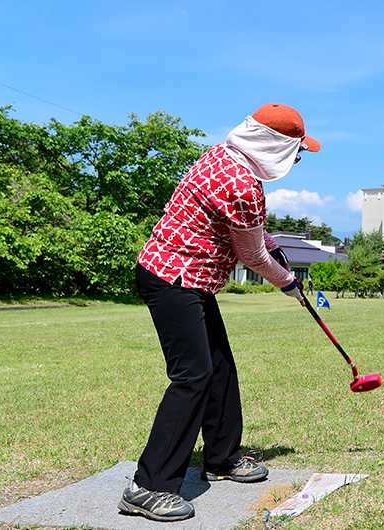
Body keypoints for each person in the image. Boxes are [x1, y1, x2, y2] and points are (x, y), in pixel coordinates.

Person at [123, 103, 319, 522]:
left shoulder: (222, 156)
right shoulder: (243, 184)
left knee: (219, 367)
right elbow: (252, 255)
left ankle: (222, 457)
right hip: (172, 279)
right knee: (192, 377)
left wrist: (270, 243)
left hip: (189, 280)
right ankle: (148, 486)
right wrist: (288, 281)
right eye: (296, 152)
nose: (298, 160)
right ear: (275, 147)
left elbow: (248, 229)